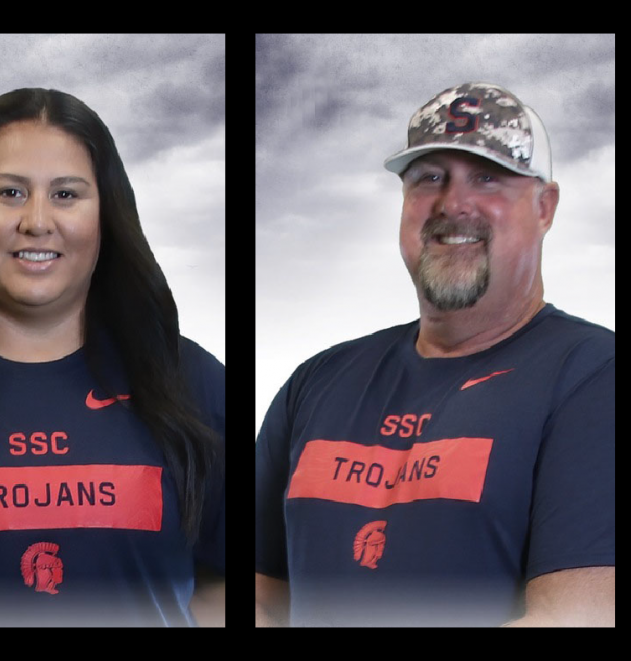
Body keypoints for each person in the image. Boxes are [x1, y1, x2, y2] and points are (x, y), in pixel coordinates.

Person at [0, 88, 225, 627]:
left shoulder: (192, 386)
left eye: (67, 195)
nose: (36, 221)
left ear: (106, 216)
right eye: (8, 192)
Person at [255, 82, 614, 627]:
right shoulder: (317, 381)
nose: (453, 203)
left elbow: (579, 617)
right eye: (429, 178)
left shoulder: (592, 377)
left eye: (486, 177)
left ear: (545, 207)